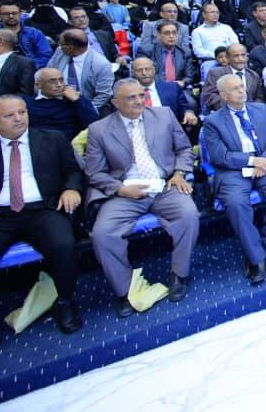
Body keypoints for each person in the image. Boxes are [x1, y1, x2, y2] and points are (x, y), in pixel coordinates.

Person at [0, 96, 83, 379]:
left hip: (42, 209)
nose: (19, 118)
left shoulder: (52, 139)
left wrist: (71, 188)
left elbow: (73, 171)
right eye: (10, 115)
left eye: (22, 112)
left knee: (64, 245)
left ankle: (65, 301)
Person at [85, 79, 198, 317]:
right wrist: (120, 189)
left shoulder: (164, 115)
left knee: (188, 215)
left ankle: (179, 273)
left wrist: (179, 173)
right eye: (131, 97)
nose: (138, 101)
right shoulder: (99, 129)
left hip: (165, 185)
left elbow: (184, 149)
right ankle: (125, 290)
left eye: (141, 95)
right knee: (103, 233)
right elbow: (95, 173)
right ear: (115, 102)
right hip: (125, 192)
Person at [202, 74, 266, 285]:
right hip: (233, 170)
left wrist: (264, 159)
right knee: (236, 203)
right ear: (223, 95)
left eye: (242, 86)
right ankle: (257, 259)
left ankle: (259, 246)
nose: (242, 91)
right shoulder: (213, 122)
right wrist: (252, 161)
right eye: (235, 88)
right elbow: (219, 156)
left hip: (264, 162)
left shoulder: (260, 109)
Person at [25, 67, 99, 141]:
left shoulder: (75, 100)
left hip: (70, 143)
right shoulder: (28, 103)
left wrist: (77, 101)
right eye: (52, 81)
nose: (59, 85)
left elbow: (93, 125)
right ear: (38, 85)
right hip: (40, 143)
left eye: (61, 80)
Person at [48, 30, 114, 111]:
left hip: (88, 105)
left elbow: (104, 94)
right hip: (57, 103)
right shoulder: (60, 51)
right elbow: (48, 72)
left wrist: (86, 110)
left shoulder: (101, 64)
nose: (59, 45)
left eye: (60, 44)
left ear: (70, 48)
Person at [0, 1, 53, 69]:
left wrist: (26, 67)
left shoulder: (35, 33)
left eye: (14, 13)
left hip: (28, 70)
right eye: (6, 14)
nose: (11, 16)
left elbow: (45, 55)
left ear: (20, 13)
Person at [129, 57, 198, 128]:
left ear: (154, 70)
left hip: (167, 128)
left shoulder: (172, 88)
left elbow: (185, 108)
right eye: (139, 70)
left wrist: (188, 113)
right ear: (133, 72)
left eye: (147, 69)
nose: (144, 73)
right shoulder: (126, 92)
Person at [202, 43, 265, 112]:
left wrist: (251, 109)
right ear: (228, 58)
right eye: (236, 56)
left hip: (250, 112)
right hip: (224, 112)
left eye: (243, 55)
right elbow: (208, 95)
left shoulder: (254, 75)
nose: (240, 59)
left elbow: (260, 97)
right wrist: (231, 107)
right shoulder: (215, 73)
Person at [141, 20, 196, 87]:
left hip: (177, 88)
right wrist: (166, 85)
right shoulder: (147, 51)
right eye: (167, 33)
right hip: (155, 87)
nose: (171, 36)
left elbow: (189, 76)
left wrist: (183, 82)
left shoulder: (185, 52)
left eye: (174, 33)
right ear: (158, 35)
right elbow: (144, 74)